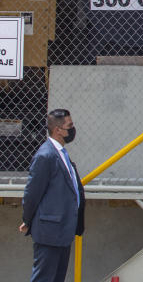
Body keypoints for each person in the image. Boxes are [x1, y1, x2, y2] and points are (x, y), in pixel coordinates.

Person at [20, 109, 86, 282]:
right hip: (50, 232)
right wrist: (28, 220)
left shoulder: (60, 154)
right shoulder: (46, 155)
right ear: (58, 130)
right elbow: (32, 193)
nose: (72, 129)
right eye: (69, 126)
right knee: (44, 278)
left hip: (62, 231)